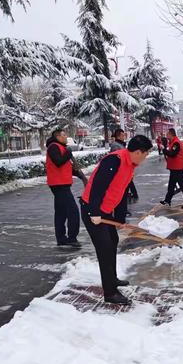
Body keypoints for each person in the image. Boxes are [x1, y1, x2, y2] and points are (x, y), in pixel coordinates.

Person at [80, 135, 153, 305]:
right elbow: (97, 186)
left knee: (113, 241)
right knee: (104, 249)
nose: (146, 156)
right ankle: (110, 293)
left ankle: (112, 279)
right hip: (93, 209)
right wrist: (93, 212)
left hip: (105, 211)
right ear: (137, 152)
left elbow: (121, 191)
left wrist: (120, 218)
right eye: (146, 153)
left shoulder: (130, 165)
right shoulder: (114, 161)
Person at [46, 129, 87, 248]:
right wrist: (68, 153)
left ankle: (61, 238)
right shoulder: (54, 147)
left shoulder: (60, 147)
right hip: (59, 184)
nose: (66, 137)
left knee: (61, 212)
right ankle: (71, 238)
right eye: (64, 135)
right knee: (73, 211)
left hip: (61, 183)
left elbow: (66, 167)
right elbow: (58, 162)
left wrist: (81, 177)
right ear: (57, 136)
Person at [160, 128, 183, 209]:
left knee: (182, 185)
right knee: (171, 185)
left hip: (177, 168)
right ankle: (167, 201)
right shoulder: (172, 142)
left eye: (167, 134)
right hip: (174, 168)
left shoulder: (176, 143)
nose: (166, 136)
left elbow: (172, 154)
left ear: (171, 134)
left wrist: (163, 150)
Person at [110, 128, 139, 203]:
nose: (124, 137)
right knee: (122, 189)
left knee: (126, 186)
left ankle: (126, 204)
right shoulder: (116, 146)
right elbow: (117, 160)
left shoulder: (121, 144)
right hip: (120, 171)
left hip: (125, 170)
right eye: (123, 135)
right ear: (118, 136)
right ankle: (122, 208)